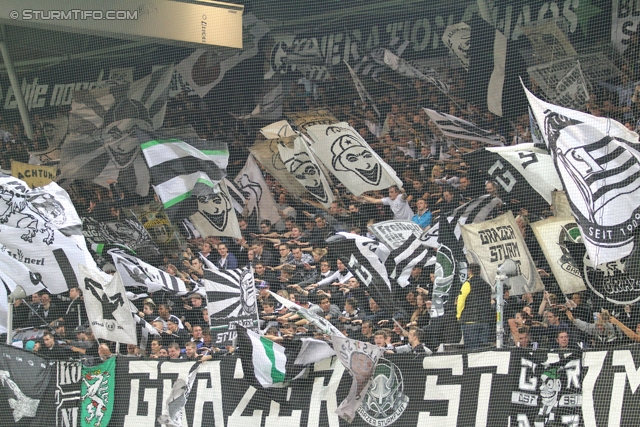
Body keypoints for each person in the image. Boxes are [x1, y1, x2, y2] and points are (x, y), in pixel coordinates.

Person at [456, 263, 493, 349]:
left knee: (472, 351)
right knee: (483, 350)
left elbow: (461, 301)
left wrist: (459, 316)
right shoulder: (487, 286)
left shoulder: (467, 284)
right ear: (480, 272)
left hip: (469, 322)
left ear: (469, 272)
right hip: (484, 321)